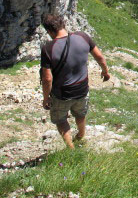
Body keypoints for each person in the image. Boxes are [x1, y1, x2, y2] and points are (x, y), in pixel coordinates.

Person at [40, 13, 111, 149]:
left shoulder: (48, 49)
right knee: (80, 113)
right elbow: (100, 57)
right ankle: (80, 135)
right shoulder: (82, 37)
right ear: (63, 24)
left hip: (62, 94)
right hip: (82, 89)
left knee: (60, 119)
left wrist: (46, 98)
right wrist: (105, 71)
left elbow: (47, 78)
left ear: (49, 31)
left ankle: (71, 148)